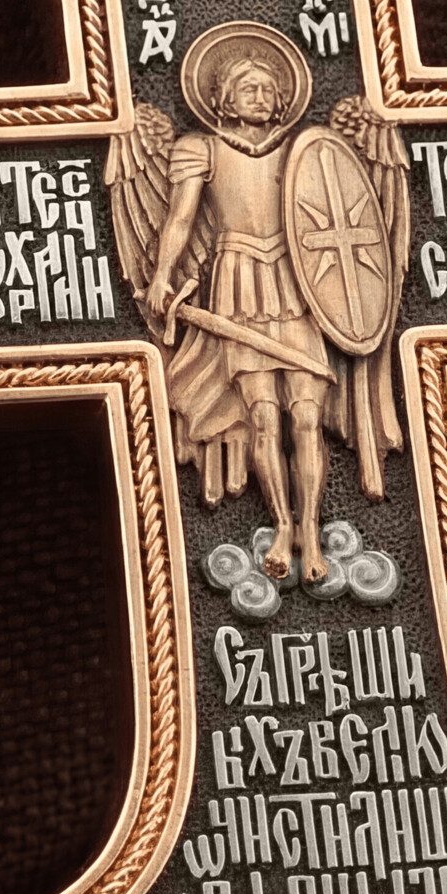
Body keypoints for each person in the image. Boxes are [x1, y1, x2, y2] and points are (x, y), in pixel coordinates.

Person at [145, 55, 335, 581]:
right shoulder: (200, 149)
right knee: (264, 417)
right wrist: (162, 276)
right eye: (248, 87)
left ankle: (312, 529)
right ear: (224, 99)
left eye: (269, 88)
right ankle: (282, 526)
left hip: (300, 284)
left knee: (306, 416)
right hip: (237, 286)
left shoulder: (303, 148)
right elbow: (180, 219)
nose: (260, 95)